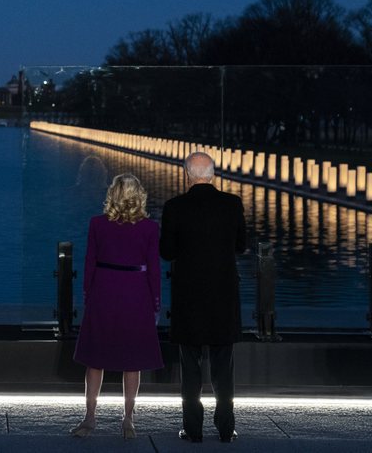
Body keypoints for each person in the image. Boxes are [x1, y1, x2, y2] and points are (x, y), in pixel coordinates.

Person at [160, 152, 247, 444]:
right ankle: (226, 428)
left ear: (187, 175)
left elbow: (167, 252)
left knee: (190, 366)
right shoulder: (232, 204)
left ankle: (193, 429)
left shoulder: (174, 207)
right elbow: (242, 245)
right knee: (224, 368)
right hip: (223, 295)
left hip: (189, 297)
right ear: (212, 175)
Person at [71, 173, 163, 440]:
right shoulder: (149, 228)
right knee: (132, 360)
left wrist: (88, 295)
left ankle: (90, 417)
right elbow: (154, 270)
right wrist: (155, 302)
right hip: (136, 292)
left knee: (95, 358)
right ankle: (128, 419)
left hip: (104, 290)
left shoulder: (97, 224)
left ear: (112, 194)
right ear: (138, 196)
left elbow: (89, 263)